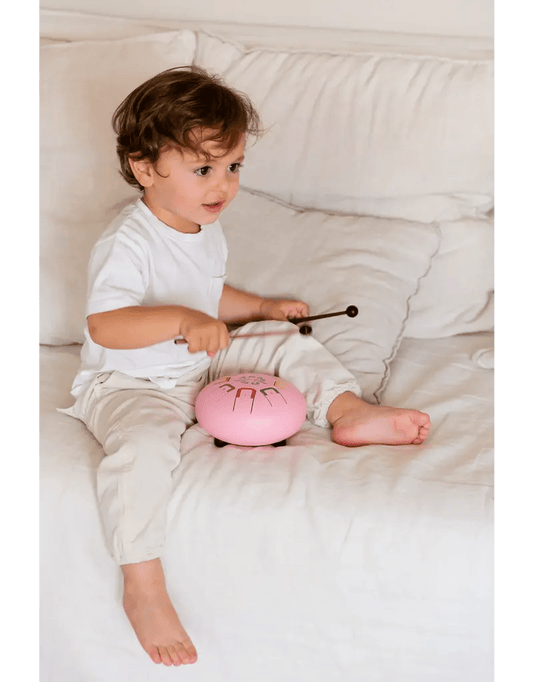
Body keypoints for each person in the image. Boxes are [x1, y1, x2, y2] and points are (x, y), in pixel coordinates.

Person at [63, 66, 431, 668]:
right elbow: (105, 325)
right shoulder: (127, 241)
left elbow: (207, 292)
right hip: (131, 382)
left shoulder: (202, 225)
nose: (224, 185)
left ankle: (348, 411)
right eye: (204, 169)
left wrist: (259, 308)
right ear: (145, 168)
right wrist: (183, 320)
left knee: (279, 342)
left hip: (196, 364)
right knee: (141, 452)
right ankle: (143, 584)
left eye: (233, 166)